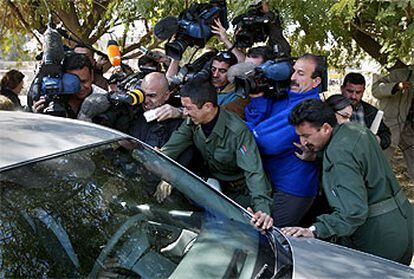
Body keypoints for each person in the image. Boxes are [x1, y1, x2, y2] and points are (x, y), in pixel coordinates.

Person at [282, 98, 413, 265]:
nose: (303, 142)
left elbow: (352, 213)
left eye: (306, 136)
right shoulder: (355, 130)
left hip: (379, 236)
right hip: (404, 223)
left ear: (326, 128)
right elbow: (358, 159)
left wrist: (314, 230)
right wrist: (318, 155)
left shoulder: (339, 155)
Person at [157, 78, 273, 229]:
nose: (184, 112)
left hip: (240, 193)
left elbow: (254, 173)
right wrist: (165, 170)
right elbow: (172, 148)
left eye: (188, 108)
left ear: (207, 107)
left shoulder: (237, 132)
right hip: (214, 186)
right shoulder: (192, 122)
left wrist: (262, 210)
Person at [245, 53, 323, 227]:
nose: (293, 78)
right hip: (269, 181)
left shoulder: (309, 108)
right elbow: (254, 120)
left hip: (293, 189)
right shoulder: (286, 94)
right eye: (293, 71)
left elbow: (265, 143)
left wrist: (240, 128)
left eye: (301, 74)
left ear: (316, 81)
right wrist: (258, 97)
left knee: (271, 237)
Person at [32, 53, 107, 119]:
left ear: (92, 76)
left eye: (84, 81)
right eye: (73, 83)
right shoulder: (53, 99)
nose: (79, 87)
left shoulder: (104, 98)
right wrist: (38, 117)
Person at [372, 68, 414, 181]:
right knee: (378, 164)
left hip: (409, 130)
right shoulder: (400, 74)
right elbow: (375, 90)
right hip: (389, 127)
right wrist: (396, 86)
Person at [128, 72, 184, 148]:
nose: (145, 100)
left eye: (152, 96)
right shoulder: (135, 111)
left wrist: (180, 113)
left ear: (166, 95)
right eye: (143, 95)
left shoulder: (178, 123)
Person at [341, 72, 391, 150]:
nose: (353, 96)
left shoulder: (371, 111)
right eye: (350, 91)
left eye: (358, 92)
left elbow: (386, 135)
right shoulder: (330, 108)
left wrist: (378, 140)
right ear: (342, 89)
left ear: (363, 91)